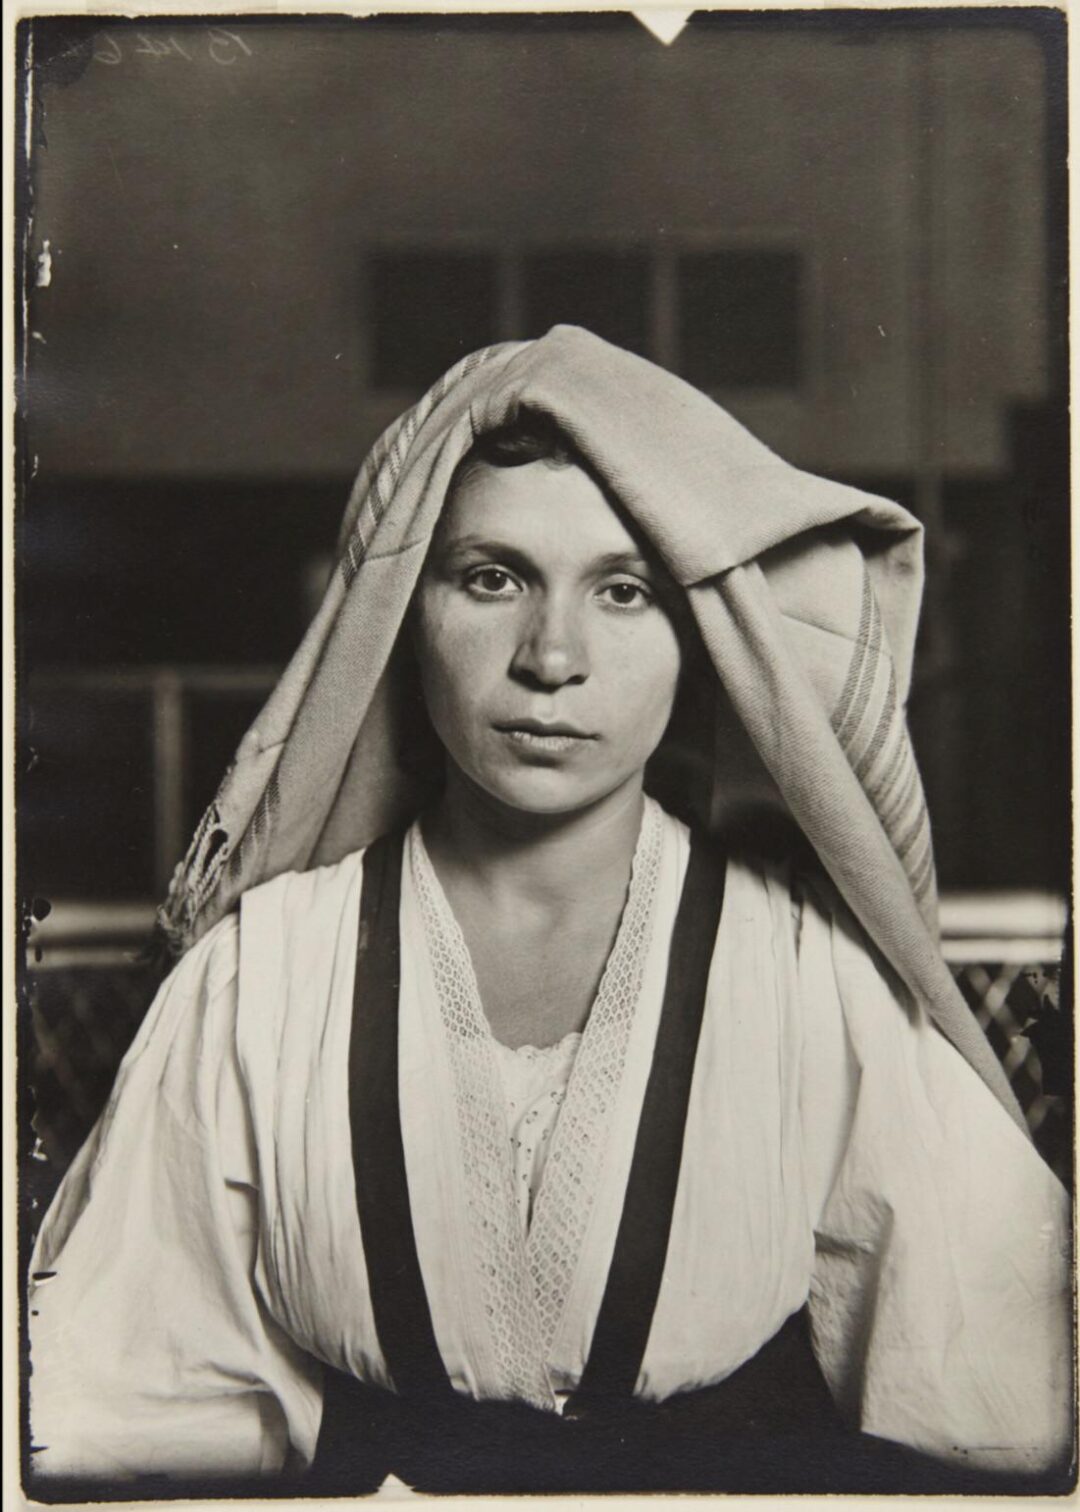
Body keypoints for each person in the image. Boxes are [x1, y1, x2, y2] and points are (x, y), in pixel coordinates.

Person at [27, 326, 1072, 1497]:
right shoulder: (260, 977)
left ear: (703, 635)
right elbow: (119, 1411)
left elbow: (1007, 1404)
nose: (552, 656)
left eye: (623, 591)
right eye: (493, 577)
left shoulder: (808, 977)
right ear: (398, 613)